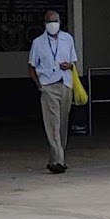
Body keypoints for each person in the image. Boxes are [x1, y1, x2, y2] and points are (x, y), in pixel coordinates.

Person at [27, 10, 78, 173]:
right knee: (52, 124)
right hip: (48, 86)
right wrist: (40, 85)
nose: (53, 25)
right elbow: (31, 67)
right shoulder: (38, 43)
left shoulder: (68, 39)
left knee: (62, 124)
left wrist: (69, 66)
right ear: (45, 24)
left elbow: (74, 62)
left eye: (55, 21)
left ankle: (55, 158)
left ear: (60, 23)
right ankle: (58, 162)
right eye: (50, 22)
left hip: (65, 84)